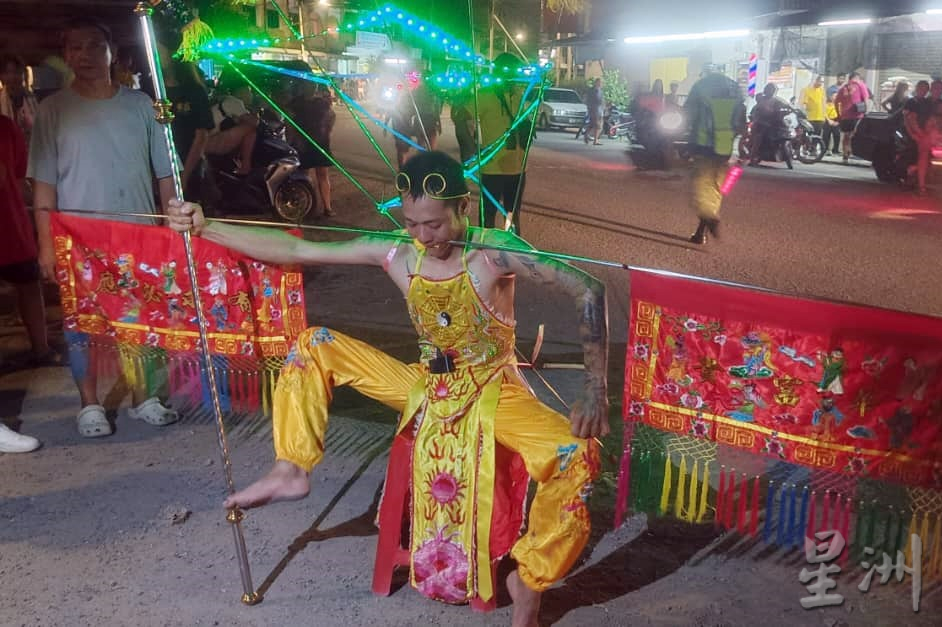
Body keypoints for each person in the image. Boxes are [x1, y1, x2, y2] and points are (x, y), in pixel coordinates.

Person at [165, 149, 609, 627]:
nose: (423, 236)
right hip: (423, 386)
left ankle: (530, 580)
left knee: (576, 454)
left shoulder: (493, 252)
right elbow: (297, 250)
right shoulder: (396, 250)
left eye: (435, 224)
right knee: (315, 344)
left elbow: (589, 288)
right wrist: (205, 226)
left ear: (465, 206)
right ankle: (291, 467)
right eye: (413, 223)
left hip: (491, 391)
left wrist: (595, 388)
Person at [29, 17, 179, 438]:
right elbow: (44, 184)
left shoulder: (141, 105)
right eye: (74, 48)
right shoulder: (52, 110)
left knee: (141, 317)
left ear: (114, 52)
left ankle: (143, 397)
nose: (85, 56)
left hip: (138, 235)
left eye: (95, 46)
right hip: (78, 239)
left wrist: (172, 231)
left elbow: (166, 176)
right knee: (82, 324)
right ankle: (89, 404)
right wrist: (46, 246)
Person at [1, 113, 60, 372]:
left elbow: (14, 176)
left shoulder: (6, 127)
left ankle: (41, 348)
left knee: (28, 283)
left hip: (10, 223)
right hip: (12, 222)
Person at [467, 53, 529, 233]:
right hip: (493, 168)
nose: (513, 77)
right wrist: (470, 149)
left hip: (518, 167)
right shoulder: (485, 95)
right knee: (488, 213)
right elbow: (461, 116)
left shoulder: (519, 95)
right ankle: (485, 248)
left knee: (512, 212)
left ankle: (511, 248)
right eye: (508, 71)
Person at [684, 64, 741, 244]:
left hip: (703, 143)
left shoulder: (701, 86)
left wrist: (686, 141)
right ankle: (701, 232)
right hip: (725, 146)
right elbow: (741, 118)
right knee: (716, 189)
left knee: (699, 188)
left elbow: (688, 114)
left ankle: (710, 218)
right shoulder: (735, 88)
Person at [161, 46, 214, 201]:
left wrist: (184, 176)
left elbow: (201, 136)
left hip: (188, 164)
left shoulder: (194, 91)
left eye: (161, 50)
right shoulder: (153, 89)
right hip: (161, 167)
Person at [289, 82, 337, 217]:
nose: (311, 88)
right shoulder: (297, 103)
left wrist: (327, 132)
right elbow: (291, 121)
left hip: (319, 141)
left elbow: (331, 117)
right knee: (304, 175)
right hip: (304, 142)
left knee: (322, 174)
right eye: (308, 85)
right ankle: (307, 204)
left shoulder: (321, 103)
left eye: (312, 85)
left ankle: (327, 207)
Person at [206, 73, 257, 177]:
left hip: (206, 140)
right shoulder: (235, 102)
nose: (251, 95)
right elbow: (254, 122)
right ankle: (245, 166)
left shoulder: (222, 99)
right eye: (249, 91)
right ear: (242, 92)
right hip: (209, 142)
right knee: (250, 129)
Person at [392, 72, 441, 169]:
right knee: (406, 146)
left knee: (425, 143)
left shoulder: (428, 88)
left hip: (425, 118)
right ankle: (407, 170)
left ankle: (423, 166)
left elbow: (436, 106)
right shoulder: (408, 88)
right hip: (413, 118)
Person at [748, 82, 791, 166]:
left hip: (773, 122)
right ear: (766, 90)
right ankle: (752, 159)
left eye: (773, 90)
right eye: (770, 89)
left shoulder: (777, 100)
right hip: (761, 122)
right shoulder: (761, 99)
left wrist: (791, 109)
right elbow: (758, 109)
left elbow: (786, 105)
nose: (771, 91)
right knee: (758, 139)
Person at [834, 71, 870, 164]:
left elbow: (836, 102)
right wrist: (866, 111)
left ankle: (845, 156)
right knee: (855, 135)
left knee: (846, 136)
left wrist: (838, 114)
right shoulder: (861, 85)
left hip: (845, 116)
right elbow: (866, 99)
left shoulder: (843, 88)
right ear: (857, 77)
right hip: (857, 115)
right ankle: (855, 153)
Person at [0, 54, 38, 141]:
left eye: (16, 72)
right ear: (1, 76)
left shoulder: (32, 98)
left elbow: (39, 128)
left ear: (23, 74)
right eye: (7, 73)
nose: (12, 77)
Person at [584, 76, 604, 145]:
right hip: (594, 110)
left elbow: (601, 101)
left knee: (595, 125)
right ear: (596, 82)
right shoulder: (591, 90)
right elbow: (588, 100)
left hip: (600, 110)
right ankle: (593, 139)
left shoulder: (600, 90)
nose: (600, 84)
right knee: (597, 125)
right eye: (599, 82)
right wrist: (589, 109)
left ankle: (588, 136)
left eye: (601, 83)